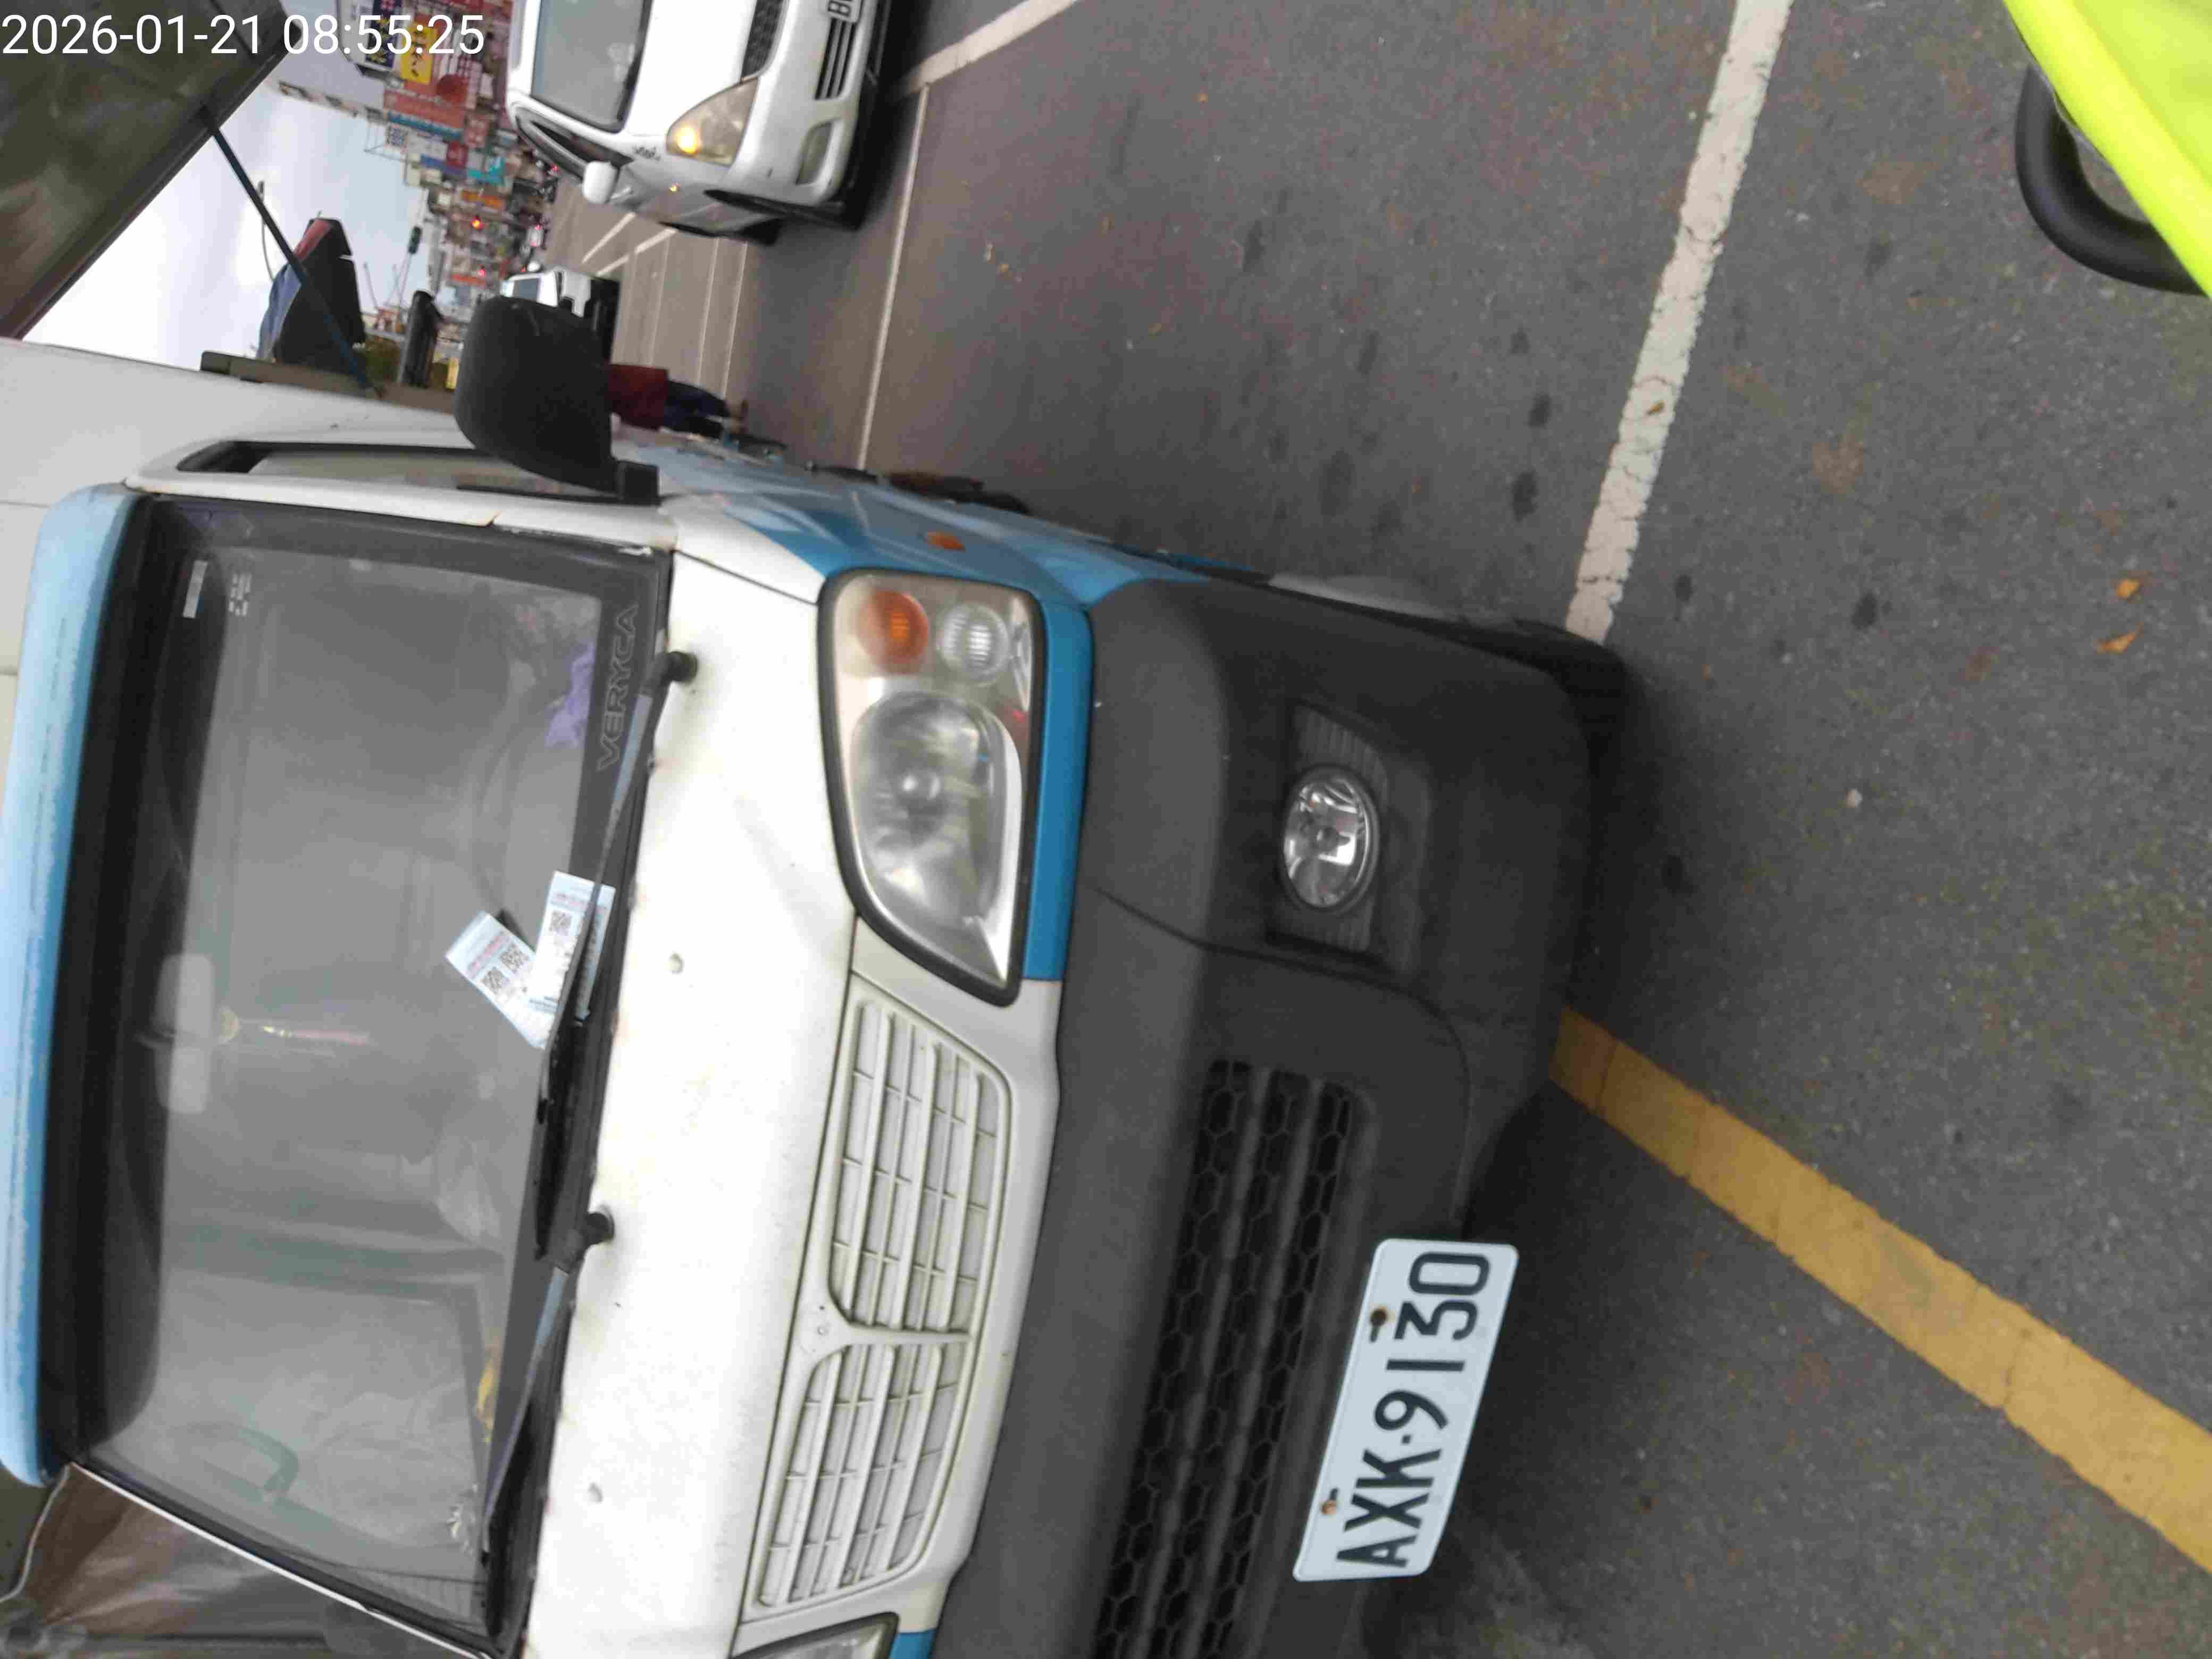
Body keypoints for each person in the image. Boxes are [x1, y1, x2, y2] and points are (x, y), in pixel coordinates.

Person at [604, 362, 738, 438]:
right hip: (630, 408)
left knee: (690, 396)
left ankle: (729, 410)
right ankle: (726, 432)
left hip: (635, 381)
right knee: (682, 420)